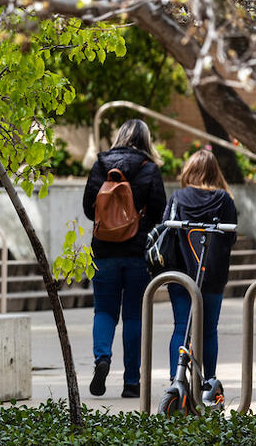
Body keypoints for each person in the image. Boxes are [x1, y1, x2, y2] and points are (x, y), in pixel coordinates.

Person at [83, 119, 166, 398]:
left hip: (104, 250)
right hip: (137, 252)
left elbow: (87, 208)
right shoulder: (149, 168)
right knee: (133, 316)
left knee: (104, 311)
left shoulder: (100, 165)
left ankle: (102, 359)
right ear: (146, 140)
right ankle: (131, 383)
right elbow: (159, 212)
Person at [164, 149, 237, 385]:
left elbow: (166, 230)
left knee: (181, 327)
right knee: (208, 330)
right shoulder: (224, 199)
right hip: (212, 275)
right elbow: (231, 237)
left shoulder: (177, 197)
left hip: (181, 273)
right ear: (214, 172)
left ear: (189, 170)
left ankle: (176, 380)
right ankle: (208, 381)